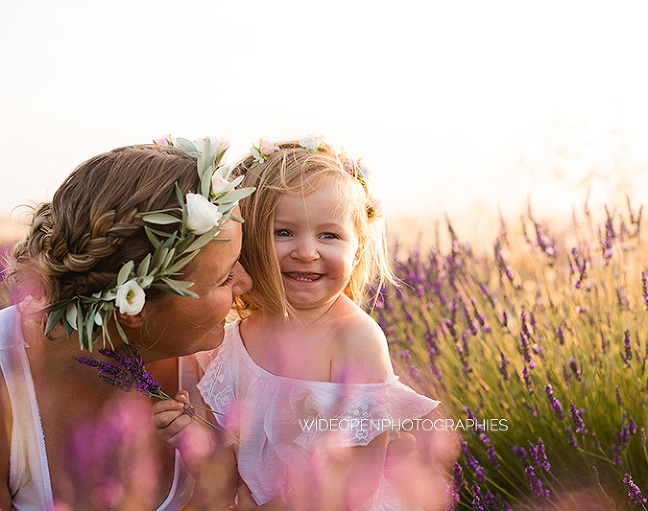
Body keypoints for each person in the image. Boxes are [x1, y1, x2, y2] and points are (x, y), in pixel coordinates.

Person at [153, 136, 443, 510]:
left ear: (356, 252)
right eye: (283, 232)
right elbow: (225, 483)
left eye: (329, 235)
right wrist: (193, 439)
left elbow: (361, 475)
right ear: (251, 241)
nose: (306, 252)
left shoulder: (355, 339)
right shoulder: (231, 342)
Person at [0, 136, 253, 510]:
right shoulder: (8, 381)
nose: (246, 283)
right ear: (134, 309)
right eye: (224, 278)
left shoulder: (225, 365)